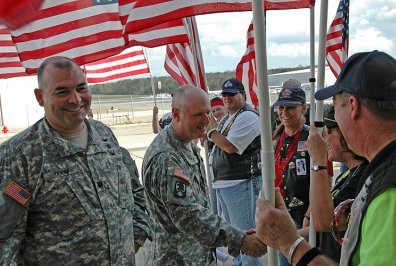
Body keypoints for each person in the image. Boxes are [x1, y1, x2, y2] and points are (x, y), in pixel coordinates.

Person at [0, 56, 151, 265]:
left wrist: (135, 237)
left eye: (81, 88)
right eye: (62, 92)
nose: (76, 99)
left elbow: (134, 192)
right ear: (40, 97)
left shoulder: (104, 135)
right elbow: (5, 243)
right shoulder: (18, 156)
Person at [256, 50, 396, 266]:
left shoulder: (388, 190)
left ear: (353, 105)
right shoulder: (384, 168)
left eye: (334, 105)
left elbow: (325, 220)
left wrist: (289, 243)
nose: (327, 131)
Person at [142, 84, 267, 265]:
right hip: (177, 259)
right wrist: (238, 239)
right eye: (198, 115)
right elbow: (187, 214)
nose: (206, 119)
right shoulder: (166, 157)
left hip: (197, 256)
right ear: (176, 114)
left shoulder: (187, 144)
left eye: (208, 112)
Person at [208, 78, 262, 266]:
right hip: (227, 185)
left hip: (242, 184)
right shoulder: (228, 118)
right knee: (237, 242)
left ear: (243, 95)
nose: (227, 99)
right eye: (225, 95)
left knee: (247, 241)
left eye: (232, 95)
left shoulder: (248, 116)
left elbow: (230, 147)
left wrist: (211, 132)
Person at [306, 105, 368, 262]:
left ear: (347, 133)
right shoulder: (349, 173)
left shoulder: (363, 175)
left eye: (329, 131)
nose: (325, 138)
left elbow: (326, 223)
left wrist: (319, 161)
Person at [270, 80, 310, 266]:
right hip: (280, 213)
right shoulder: (276, 137)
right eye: (281, 107)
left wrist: (310, 215)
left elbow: (324, 181)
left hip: (302, 216)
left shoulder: (313, 138)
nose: (284, 112)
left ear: (304, 108)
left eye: (291, 107)